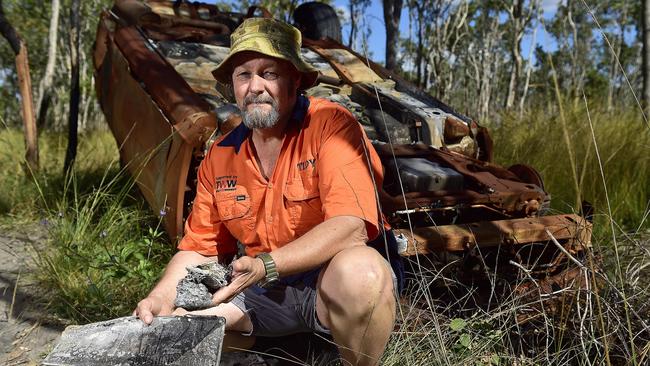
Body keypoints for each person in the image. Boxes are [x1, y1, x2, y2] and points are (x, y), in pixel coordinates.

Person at [134, 17, 396, 366]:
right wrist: (159, 297)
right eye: (243, 75)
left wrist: (266, 265)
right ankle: (281, 352)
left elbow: (351, 227)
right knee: (176, 322)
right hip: (265, 294)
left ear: (295, 80)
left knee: (360, 274)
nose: (254, 86)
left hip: (328, 286)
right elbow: (199, 248)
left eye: (268, 73)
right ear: (233, 86)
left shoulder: (332, 126)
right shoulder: (221, 154)